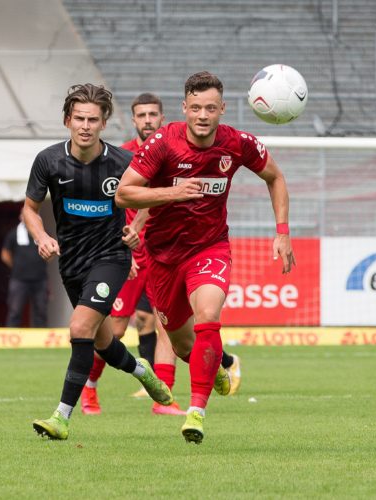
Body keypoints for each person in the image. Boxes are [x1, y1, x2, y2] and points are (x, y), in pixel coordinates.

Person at [116, 71, 294, 443]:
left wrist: (282, 232)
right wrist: (172, 192)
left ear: (222, 110)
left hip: (209, 248)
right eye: (195, 107)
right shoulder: (164, 142)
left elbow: (275, 177)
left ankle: (196, 412)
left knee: (209, 315)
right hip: (163, 258)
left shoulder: (238, 143)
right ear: (184, 108)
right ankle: (217, 369)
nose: (202, 115)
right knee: (183, 345)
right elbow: (124, 194)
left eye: (210, 108)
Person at [25, 83, 173, 441]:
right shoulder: (49, 160)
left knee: (79, 329)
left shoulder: (123, 163)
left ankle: (61, 417)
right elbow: (29, 209)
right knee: (104, 341)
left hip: (111, 258)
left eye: (93, 119)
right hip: (71, 265)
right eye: (79, 118)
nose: (86, 126)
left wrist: (136, 227)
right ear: (67, 121)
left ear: (104, 123)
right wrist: (42, 236)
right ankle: (140, 369)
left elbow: (156, 195)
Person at [1, 214, 48, 327]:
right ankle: (12, 339)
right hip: (19, 279)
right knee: (15, 311)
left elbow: (50, 251)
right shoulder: (13, 234)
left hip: (40, 279)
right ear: (21, 217)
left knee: (41, 312)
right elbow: (5, 254)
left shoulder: (43, 235)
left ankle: (40, 340)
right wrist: (16, 266)